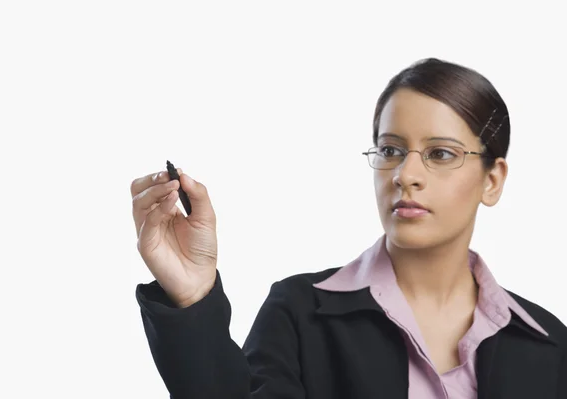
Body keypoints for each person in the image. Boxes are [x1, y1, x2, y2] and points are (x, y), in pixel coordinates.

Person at [130, 58, 567, 398]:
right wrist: (191, 300)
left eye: (440, 154)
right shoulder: (298, 313)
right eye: (391, 149)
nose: (405, 175)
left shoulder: (551, 346)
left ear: (492, 181)